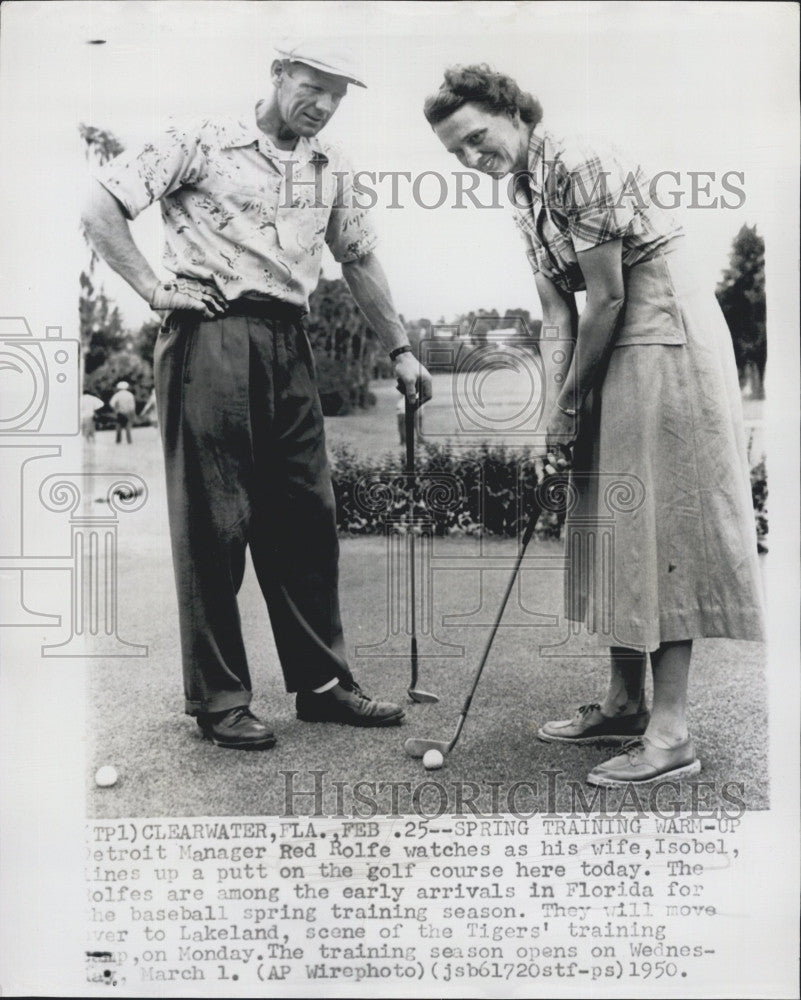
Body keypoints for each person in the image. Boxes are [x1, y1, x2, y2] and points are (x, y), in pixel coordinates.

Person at [81, 41, 433, 751]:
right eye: (313, 86)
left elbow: (358, 257)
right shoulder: (200, 138)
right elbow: (98, 206)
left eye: (337, 94)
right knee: (215, 523)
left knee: (307, 515)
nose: (324, 105)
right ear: (277, 75)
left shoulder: (328, 167)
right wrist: (152, 289)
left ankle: (323, 685)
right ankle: (219, 698)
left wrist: (399, 348)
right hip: (209, 332)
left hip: (289, 339)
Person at [424, 65, 764, 786]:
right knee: (610, 518)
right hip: (610, 340)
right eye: (456, 153)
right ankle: (622, 703)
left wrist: (573, 406)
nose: (471, 159)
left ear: (512, 112)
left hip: (662, 331)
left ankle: (669, 734)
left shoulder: (577, 157)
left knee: (661, 528)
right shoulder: (522, 193)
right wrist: (556, 408)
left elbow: (605, 297)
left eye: (476, 138)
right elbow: (557, 316)